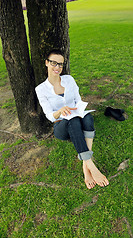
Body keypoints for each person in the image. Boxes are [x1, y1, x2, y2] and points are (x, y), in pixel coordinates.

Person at [35, 50, 109, 189]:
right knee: (72, 121)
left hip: (76, 116)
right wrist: (59, 111)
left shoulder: (69, 79)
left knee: (87, 117)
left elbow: (78, 100)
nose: (57, 67)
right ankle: (91, 165)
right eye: (53, 63)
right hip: (60, 127)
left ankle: (85, 164)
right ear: (47, 63)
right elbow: (49, 116)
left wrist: (79, 108)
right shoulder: (41, 89)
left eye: (60, 64)